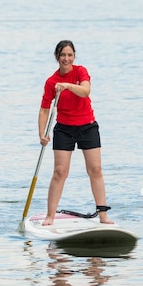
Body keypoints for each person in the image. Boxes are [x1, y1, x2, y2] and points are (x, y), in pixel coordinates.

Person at [38, 39, 112, 226]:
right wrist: (42, 133)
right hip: (64, 129)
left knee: (95, 169)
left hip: (88, 126)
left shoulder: (80, 71)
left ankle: (103, 215)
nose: (66, 58)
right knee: (60, 172)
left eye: (70, 55)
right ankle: (50, 216)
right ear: (57, 57)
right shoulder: (51, 81)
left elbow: (85, 91)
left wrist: (68, 86)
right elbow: (45, 109)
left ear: (74, 56)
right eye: (63, 55)